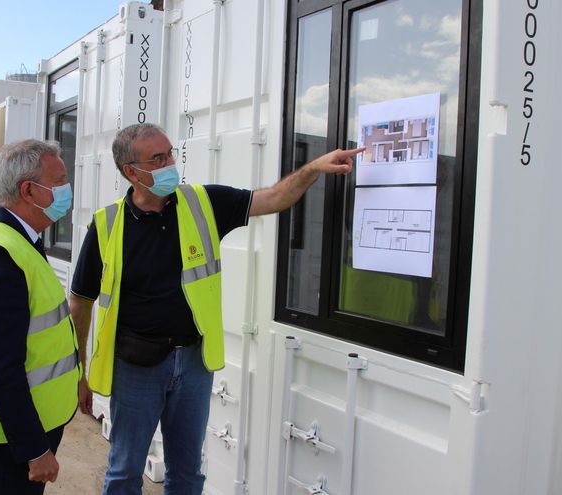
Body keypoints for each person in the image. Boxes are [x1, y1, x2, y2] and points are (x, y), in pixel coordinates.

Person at [69, 123, 363, 494]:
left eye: (169, 153)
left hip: (193, 364)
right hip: (136, 367)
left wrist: (314, 168)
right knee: (125, 471)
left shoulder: (202, 203)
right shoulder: (107, 225)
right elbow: (81, 301)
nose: (169, 163)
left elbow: (272, 198)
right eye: (157, 158)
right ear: (131, 171)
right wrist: (78, 370)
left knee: (188, 472)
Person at [0, 139, 80, 494]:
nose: (67, 190)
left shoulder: (20, 241)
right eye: (59, 181)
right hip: (6, 443)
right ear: (29, 190)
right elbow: (2, 368)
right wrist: (34, 449)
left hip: (21, 432)